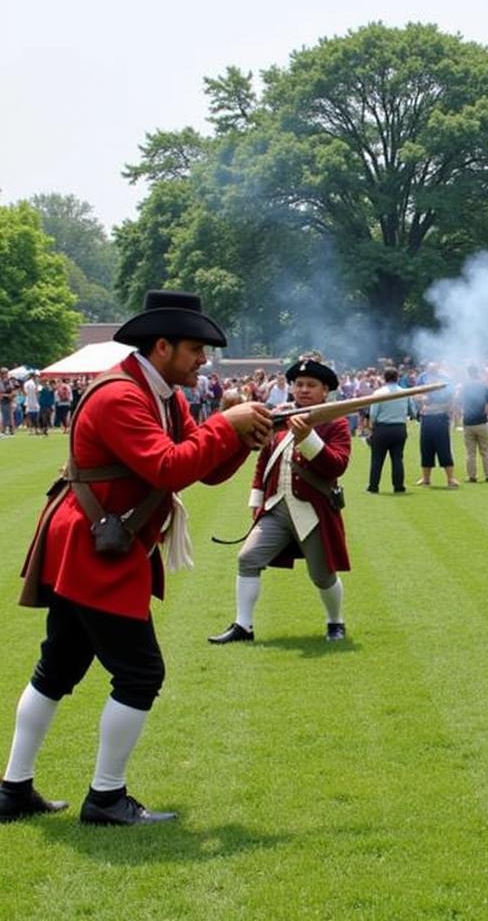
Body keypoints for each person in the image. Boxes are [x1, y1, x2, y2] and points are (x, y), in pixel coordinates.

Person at [0, 290, 272, 825]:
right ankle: (105, 798)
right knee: (139, 673)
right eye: (196, 349)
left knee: (57, 668)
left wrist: (243, 438)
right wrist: (227, 424)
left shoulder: (163, 394)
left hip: (97, 542)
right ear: (163, 345)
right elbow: (168, 468)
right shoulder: (121, 396)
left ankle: (13, 790)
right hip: (94, 546)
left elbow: (203, 468)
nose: (203, 361)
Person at [210, 356, 352, 646]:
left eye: (311, 385)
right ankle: (243, 625)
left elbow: (336, 466)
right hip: (276, 506)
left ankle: (335, 622)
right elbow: (264, 459)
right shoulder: (280, 415)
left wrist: (307, 437)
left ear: (325, 390)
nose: (303, 390)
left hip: (312, 511)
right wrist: (257, 498)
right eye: (299, 384)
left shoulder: (334, 423)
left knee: (323, 576)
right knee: (247, 558)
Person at [366, 367, 413, 493]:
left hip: (382, 428)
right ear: (397, 378)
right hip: (399, 427)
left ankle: (373, 486)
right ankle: (399, 486)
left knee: (377, 459)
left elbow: (373, 414)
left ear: (384, 378)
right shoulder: (404, 392)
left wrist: (371, 428)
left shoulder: (378, 393)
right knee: (397, 459)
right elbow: (412, 411)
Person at [416, 364, 458, 488]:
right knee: (425, 448)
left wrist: (445, 407)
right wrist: (422, 399)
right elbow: (416, 393)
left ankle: (450, 479)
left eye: (433, 369)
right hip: (427, 417)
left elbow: (451, 396)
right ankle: (425, 478)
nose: (431, 371)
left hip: (440, 417)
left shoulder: (445, 378)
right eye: (430, 369)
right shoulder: (422, 378)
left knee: (444, 448)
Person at [460, 365, 488, 482]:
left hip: (468, 421)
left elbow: (459, 402)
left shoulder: (464, 387)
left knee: (470, 452)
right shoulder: (483, 386)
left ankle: (472, 476)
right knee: (485, 450)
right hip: (481, 421)